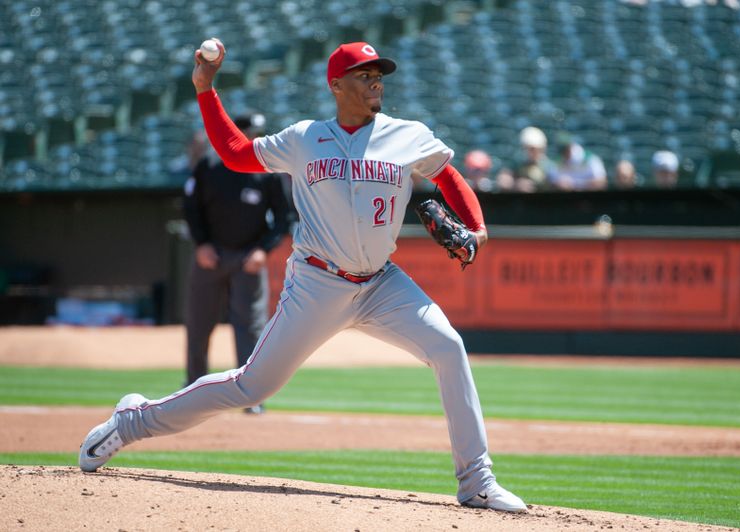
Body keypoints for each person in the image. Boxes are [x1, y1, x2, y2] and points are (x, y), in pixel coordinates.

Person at [78, 40, 527, 513]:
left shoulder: (408, 135)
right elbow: (235, 153)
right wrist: (206, 90)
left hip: (381, 283)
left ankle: (476, 481)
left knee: (448, 348)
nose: (375, 80)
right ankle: (132, 421)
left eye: (379, 73)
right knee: (252, 386)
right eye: (363, 73)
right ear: (336, 84)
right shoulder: (305, 138)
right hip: (318, 283)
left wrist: (476, 228)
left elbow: (448, 176)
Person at [183, 113, 292, 415]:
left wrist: (263, 250)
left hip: (248, 259)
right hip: (211, 255)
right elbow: (191, 209)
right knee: (199, 323)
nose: (255, 138)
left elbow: (284, 218)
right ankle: (191, 390)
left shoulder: (268, 171)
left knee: (251, 327)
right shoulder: (209, 165)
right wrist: (201, 244)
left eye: (258, 133)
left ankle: (251, 396)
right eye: (250, 133)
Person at [503, 126, 553, 192]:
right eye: (531, 149)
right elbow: (503, 181)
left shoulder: (548, 166)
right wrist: (516, 185)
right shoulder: (517, 163)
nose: (535, 152)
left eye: (538, 149)